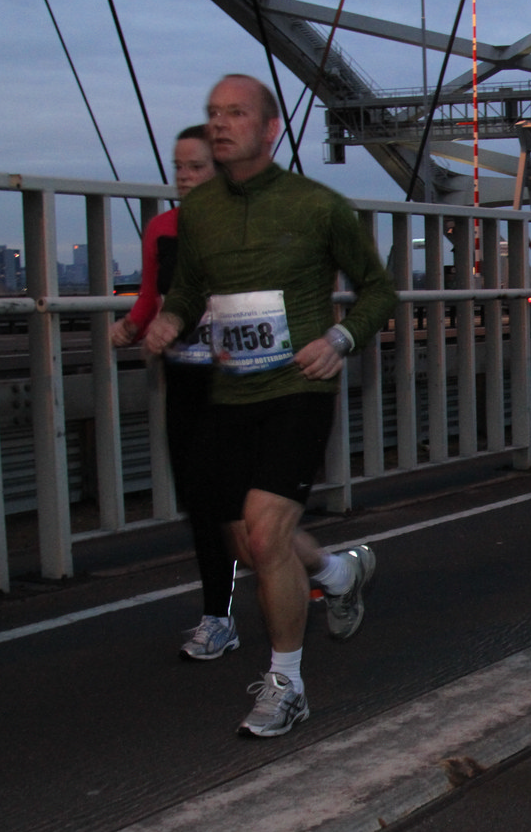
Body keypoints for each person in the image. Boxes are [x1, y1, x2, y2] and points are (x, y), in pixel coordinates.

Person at [145, 74, 396, 737]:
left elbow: (378, 290)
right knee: (250, 544)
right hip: (230, 394)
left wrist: (340, 339)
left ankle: (287, 684)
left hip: (298, 389)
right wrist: (170, 318)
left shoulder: (317, 206)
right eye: (213, 113)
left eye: (236, 113)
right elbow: (189, 288)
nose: (219, 124)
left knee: (263, 533)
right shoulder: (200, 211)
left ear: (270, 128)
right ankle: (338, 573)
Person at [110, 125, 242, 660]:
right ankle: (222, 614)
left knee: (235, 508)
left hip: (237, 382)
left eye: (197, 167)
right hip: (183, 378)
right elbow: (151, 296)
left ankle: (316, 571)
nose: (184, 177)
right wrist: (132, 326)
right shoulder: (161, 228)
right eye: (179, 168)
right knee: (199, 501)